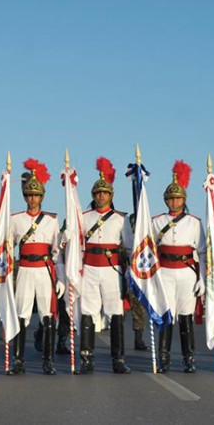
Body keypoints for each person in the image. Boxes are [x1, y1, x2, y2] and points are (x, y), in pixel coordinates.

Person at [75, 157, 133, 375]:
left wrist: (130, 274)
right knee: (88, 312)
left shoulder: (120, 219)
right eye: (98, 193)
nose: (101, 196)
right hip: (89, 267)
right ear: (93, 195)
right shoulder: (83, 217)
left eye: (105, 193)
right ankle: (86, 359)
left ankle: (118, 359)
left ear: (111, 196)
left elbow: (128, 247)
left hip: (111, 269)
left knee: (115, 312)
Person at [7, 159, 63, 375]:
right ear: (25, 197)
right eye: (29, 195)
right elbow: (8, 247)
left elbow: (57, 252)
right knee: (21, 314)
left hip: (44, 270)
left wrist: (60, 278)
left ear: (42, 197)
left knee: (47, 315)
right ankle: (18, 360)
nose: (32, 199)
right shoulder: (15, 219)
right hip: (25, 270)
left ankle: (48, 361)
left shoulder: (51, 220)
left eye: (36, 195)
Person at [152, 161, 205, 373]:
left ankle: (188, 358)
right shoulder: (156, 221)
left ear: (184, 200)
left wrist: (203, 277)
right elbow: (149, 249)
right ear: (166, 200)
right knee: (166, 316)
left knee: (185, 317)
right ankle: (163, 358)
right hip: (164, 272)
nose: (174, 201)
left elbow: (201, 252)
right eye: (171, 198)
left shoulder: (194, 222)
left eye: (178, 198)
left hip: (186, 274)